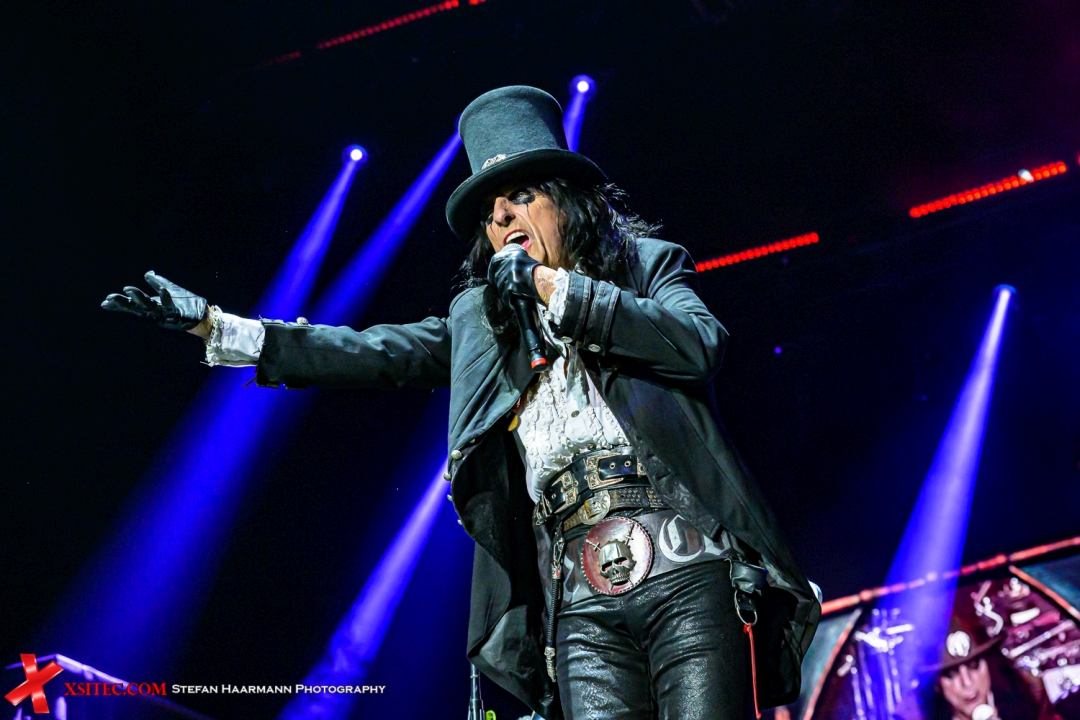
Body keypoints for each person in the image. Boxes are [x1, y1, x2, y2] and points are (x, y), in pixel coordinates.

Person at [102, 86, 820, 719]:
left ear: (567, 201)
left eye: (521, 197)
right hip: (577, 601)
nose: (502, 216)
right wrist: (218, 326)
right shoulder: (483, 323)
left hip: (688, 571)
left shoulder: (646, 267)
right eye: (489, 212)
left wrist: (554, 290)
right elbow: (374, 351)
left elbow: (699, 343)